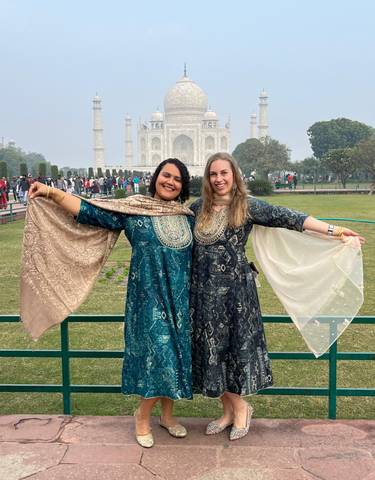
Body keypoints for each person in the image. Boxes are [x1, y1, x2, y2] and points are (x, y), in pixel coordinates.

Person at [190, 152, 364, 441]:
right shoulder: (198, 208)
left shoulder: (246, 207)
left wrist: (336, 231)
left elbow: (290, 218)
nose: (219, 179)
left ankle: (243, 408)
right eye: (213, 174)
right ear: (207, 179)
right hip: (202, 294)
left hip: (235, 296)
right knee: (212, 352)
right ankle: (228, 411)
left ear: (235, 175)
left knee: (233, 351)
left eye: (224, 173)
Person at [28, 158, 194, 448]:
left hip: (182, 299)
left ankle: (167, 416)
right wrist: (52, 193)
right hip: (148, 299)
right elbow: (90, 211)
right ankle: (142, 417)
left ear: (183, 185)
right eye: (165, 175)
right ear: (156, 177)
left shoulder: (187, 215)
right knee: (162, 356)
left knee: (177, 354)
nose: (170, 182)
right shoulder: (133, 210)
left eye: (177, 179)